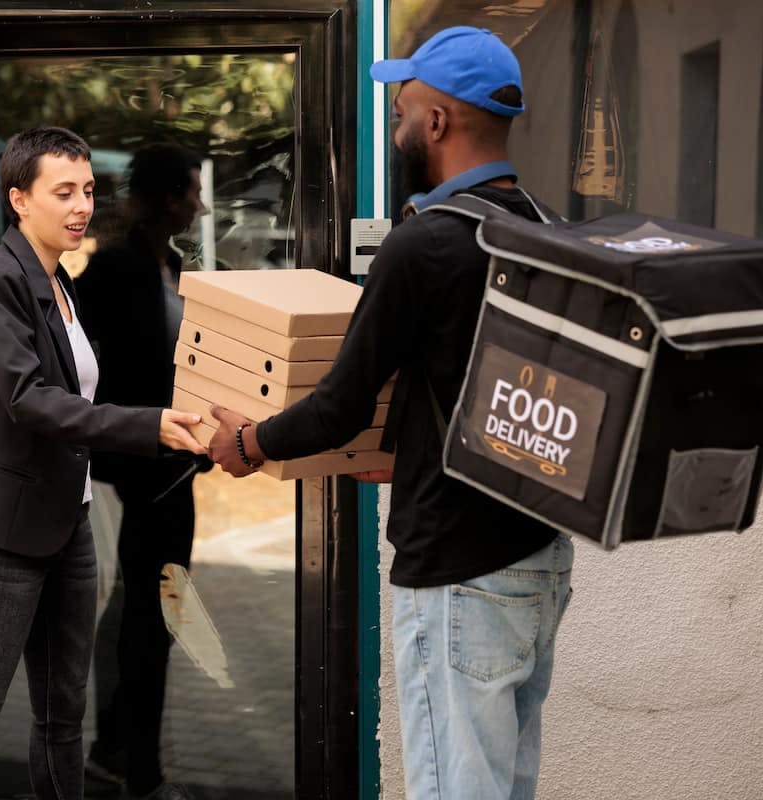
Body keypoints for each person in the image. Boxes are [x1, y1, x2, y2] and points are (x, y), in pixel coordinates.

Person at [207, 27, 574, 800]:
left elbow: (339, 404)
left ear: (437, 121)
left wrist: (246, 441)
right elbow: (491, 389)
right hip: (536, 559)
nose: (397, 116)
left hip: (457, 572)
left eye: (404, 102)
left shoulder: (428, 246)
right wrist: (410, 451)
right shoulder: (544, 229)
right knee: (502, 786)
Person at [0, 126, 205, 800]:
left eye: (89, 191)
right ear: (19, 199)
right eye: (64, 192)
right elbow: (27, 399)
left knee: (63, 719)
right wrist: (148, 427)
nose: (82, 206)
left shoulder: (62, 282)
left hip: (65, 522)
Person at [76, 142, 208, 800]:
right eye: (190, 192)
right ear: (163, 198)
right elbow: (68, 351)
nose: (200, 205)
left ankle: (117, 751)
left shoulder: (173, 266)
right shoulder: (115, 268)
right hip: (133, 471)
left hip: (175, 468)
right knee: (146, 619)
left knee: (155, 614)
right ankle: (139, 773)